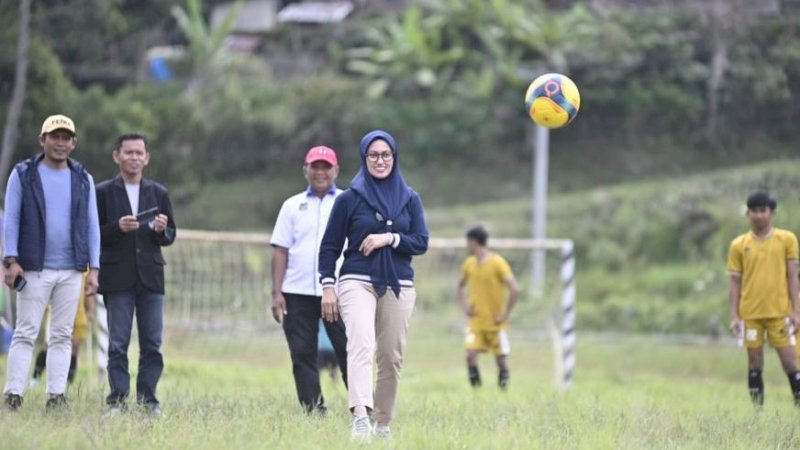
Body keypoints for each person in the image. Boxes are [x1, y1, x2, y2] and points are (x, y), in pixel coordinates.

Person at [319, 130, 429, 440]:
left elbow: (421, 242)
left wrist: (389, 238)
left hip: (399, 284)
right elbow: (329, 247)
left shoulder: (410, 198)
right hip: (357, 279)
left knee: (391, 356)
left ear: (394, 158)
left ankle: (382, 425)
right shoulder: (349, 199)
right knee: (361, 344)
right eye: (373, 155)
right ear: (364, 158)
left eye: (385, 155)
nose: (379, 161)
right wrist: (328, 285)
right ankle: (360, 418)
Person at [2, 114, 101, 411]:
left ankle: (56, 396)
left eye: (65, 137)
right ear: (42, 140)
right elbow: (12, 219)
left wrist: (93, 269)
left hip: (72, 269)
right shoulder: (23, 174)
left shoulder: (84, 179)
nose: (60, 142)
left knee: (61, 335)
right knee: (25, 331)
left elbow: (92, 225)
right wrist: (11, 259)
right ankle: (13, 394)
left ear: (73, 143)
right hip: (33, 267)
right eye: (53, 136)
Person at [96, 133, 176, 417]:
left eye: (139, 153)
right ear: (116, 156)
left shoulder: (159, 193)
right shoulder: (103, 192)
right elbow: (95, 235)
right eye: (128, 152)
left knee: (152, 343)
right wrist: (118, 227)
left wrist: (160, 230)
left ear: (147, 158)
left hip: (151, 280)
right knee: (117, 344)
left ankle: (148, 402)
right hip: (117, 279)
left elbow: (170, 235)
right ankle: (117, 401)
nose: (134, 157)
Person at [269, 146, 348, 414]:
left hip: (337, 291)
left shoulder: (349, 202)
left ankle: (362, 408)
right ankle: (313, 409)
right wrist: (276, 292)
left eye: (326, 166)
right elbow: (281, 250)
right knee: (302, 353)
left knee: (348, 351)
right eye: (315, 166)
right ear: (305, 170)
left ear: (336, 170)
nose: (320, 172)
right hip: (296, 291)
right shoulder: (291, 206)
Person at [728, 192, 800, 407]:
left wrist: (797, 311)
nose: (758, 215)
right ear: (748, 214)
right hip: (751, 314)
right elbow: (734, 283)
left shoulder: (786, 239)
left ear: (772, 213)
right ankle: (757, 412)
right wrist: (734, 316)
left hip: (780, 313)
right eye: (754, 211)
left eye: (763, 211)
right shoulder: (739, 245)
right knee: (755, 362)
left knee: (790, 362)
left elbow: (793, 276)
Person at [457, 226, 519, 390]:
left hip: (495, 321)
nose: (466, 246)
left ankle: (503, 389)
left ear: (474, 242)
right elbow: (460, 286)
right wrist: (465, 306)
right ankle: (476, 392)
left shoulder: (497, 262)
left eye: (468, 242)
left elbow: (514, 288)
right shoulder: (469, 263)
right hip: (476, 320)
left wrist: (505, 313)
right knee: (470, 354)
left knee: (500, 358)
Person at [31, 272, 95, 386]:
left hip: (79, 313)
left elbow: (88, 292)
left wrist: (91, 310)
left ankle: (68, 383)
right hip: (57, 311)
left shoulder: (85, 270)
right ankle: (35, 378)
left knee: (74, 347)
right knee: (49, 344)